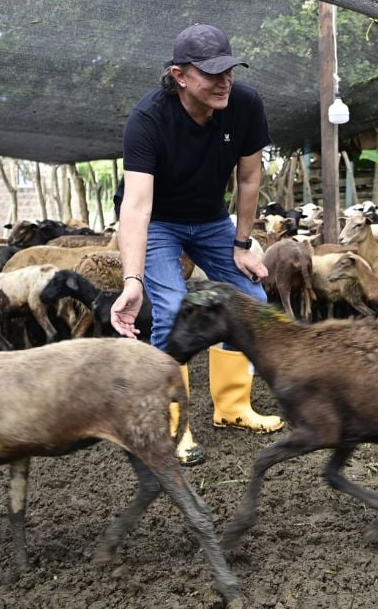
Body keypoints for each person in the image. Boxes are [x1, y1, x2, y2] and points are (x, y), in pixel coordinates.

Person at [111, 23, 284, 466]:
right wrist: (133, 280)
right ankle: (171, 425)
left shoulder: (244, 105)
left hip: (210, 220)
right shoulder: (148, 119)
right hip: (160, 222)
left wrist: (242, 244)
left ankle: (232, 408)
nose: (224, 81)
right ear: (180, 75)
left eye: (228, 69)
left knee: (249, 297)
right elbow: (136, 207)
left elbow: (249, 179)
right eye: (211, 73)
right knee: (169, 308)